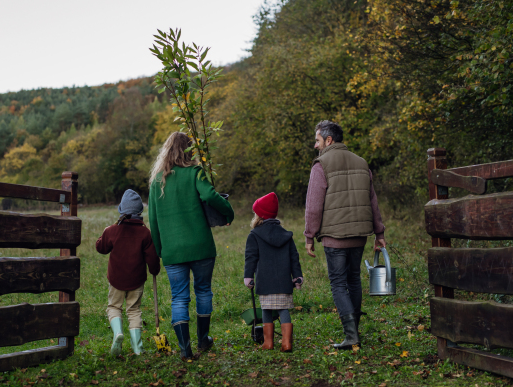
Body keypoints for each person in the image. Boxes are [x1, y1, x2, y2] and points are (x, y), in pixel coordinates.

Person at [148, 131, 235, 360]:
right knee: (204, 291)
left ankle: (185, 349)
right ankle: (203, 340)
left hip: (173, 251)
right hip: (201, 247)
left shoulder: (157, 182)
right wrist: (228, 212)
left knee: (179, 297)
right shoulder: (196, 173)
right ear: (189, 150)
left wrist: (159, 251)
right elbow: (211, 196)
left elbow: (153, 222)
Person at [304, 120, 386, 350]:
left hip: (335, 236)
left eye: (317, 140)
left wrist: (309, 236)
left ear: (328, 140)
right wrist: (379, 232)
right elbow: (373, 201)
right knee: (353, 280)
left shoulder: (321, 165)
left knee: (338, 283)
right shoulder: (361, 162)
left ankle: (351, 336)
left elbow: (313, 205)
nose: (315, 145)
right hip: (359, 235)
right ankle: (354, 332)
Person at [95, 189, 161, 356]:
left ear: (121, 211)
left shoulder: (111, 231)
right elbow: (152, 257)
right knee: (134, 310)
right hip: (136, 280)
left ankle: (118, 333)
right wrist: (155, 269)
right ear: (139, 211)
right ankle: (137, 347)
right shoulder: (145, 233)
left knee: (114, 307)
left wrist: (102, 235)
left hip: (116, 279)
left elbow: (101, 248)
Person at [244, 192, 303, 352]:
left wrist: (248, 276)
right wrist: (297, 276)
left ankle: (268, 343)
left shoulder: (254, 235)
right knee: (283, 309)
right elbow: (294, 258)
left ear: (259, 216)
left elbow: (251, 257)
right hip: (283, 280)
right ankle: (286, 343)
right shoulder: (286, 235)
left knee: (266, 310)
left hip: (264, 280)